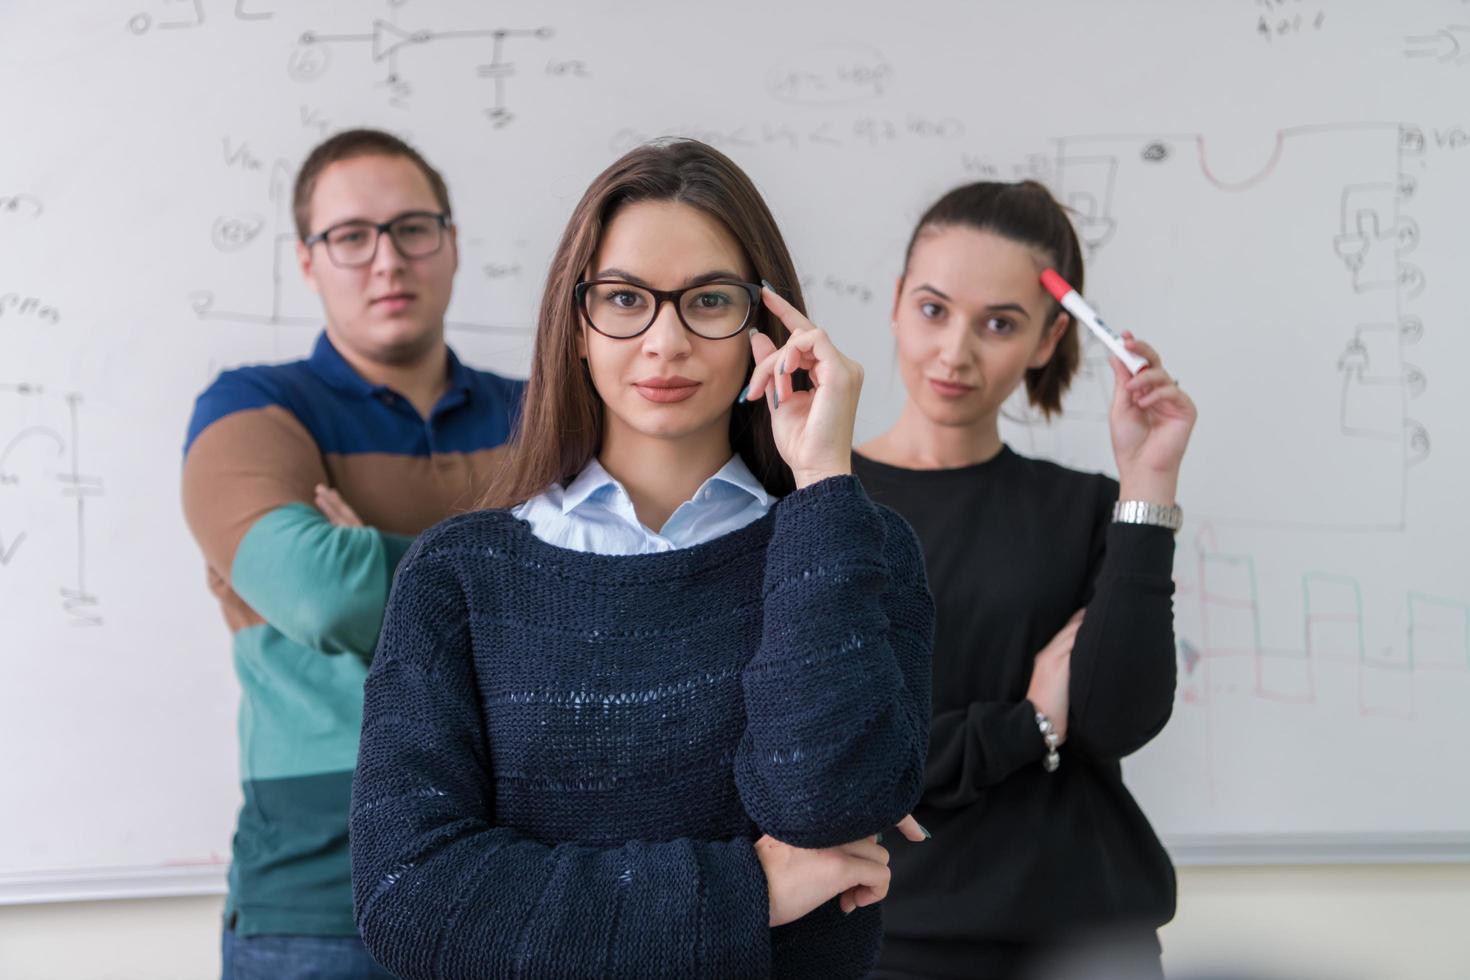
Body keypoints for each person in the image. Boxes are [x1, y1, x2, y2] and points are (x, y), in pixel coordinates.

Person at [348, 139, 934, 979]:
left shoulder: (853, 544)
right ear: (576, 326)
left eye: (708, 300)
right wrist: (747, 888)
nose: (665, 340)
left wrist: (821, 481)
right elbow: (413, 899)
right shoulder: (459, 576)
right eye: (625, 299)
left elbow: (830, 798)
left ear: (763, 327)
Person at [182, 128, 523, 979]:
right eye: (351, 236)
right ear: (307, 260)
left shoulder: (545, 412)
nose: (387, 260)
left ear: (449, 242)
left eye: (413, 228)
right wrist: (527, 570)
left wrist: (370, 551)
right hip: (320, 903)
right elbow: (324, 598)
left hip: (525, 879)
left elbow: (626, 600)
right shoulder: (251, 409)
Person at [855, 180, 1197, 979]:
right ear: (898, 301)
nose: (955, 353)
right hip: (887, 947)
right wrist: (1031, 727)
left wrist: (1149, 485)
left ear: (1047, 340)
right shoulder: (819, 505)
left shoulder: (1089, 509)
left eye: (1000, 324)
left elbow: (1117, 722)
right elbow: (840, 756)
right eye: (934, 310)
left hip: (1088, 945)